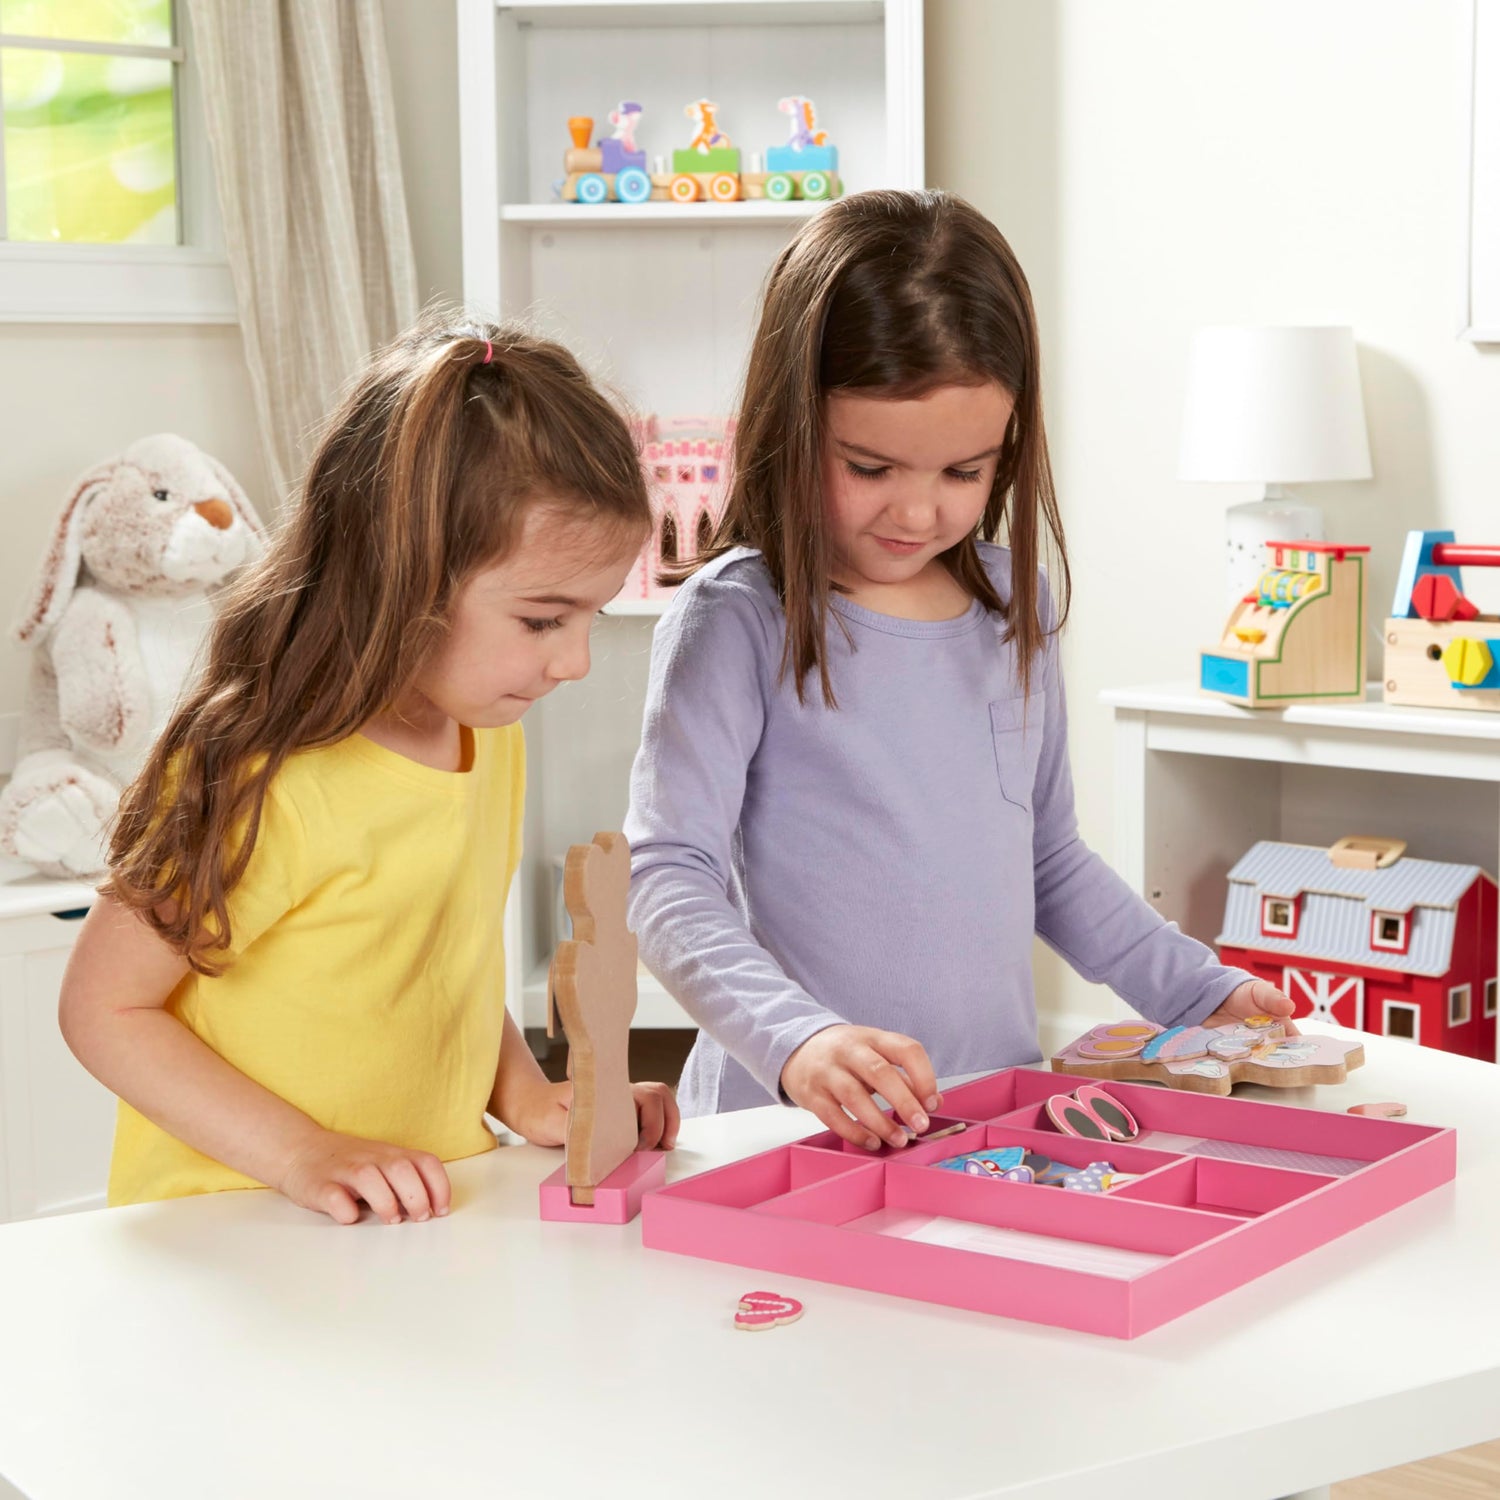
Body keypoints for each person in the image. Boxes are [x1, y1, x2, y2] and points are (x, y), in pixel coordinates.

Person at [624, 190, 1292, 1151]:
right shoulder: (737, 617)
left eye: (963, 473)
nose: (917, 513)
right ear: (789, 421)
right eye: (869, 467)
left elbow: (1048, 858)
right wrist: (797, 1040)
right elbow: (667, 875)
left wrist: (1197, 990)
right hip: (789, 1124)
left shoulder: (1013, 603)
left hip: (985, 1119)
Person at [60, 315, 679, 1223]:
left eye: (593, 615)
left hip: (407, 1218)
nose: (575, 661)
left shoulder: (489, 735)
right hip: (236, 1229)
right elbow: (104, 1011)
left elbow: (441, 965)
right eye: (544, 620)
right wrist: (303, 1154)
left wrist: (521, 1094)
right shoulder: (260, 773)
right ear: (403, 575)